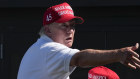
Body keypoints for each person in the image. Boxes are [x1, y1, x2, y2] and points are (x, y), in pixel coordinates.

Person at [17, 2, 140, 79]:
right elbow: (79, 59)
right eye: (64, 25)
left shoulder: (39, 48)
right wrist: (118, 54)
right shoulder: (49, 49)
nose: (70, 30)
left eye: (72, 26)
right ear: (48, 30)